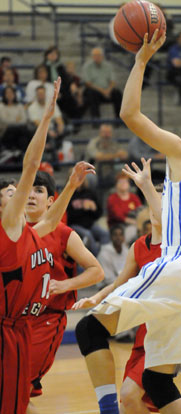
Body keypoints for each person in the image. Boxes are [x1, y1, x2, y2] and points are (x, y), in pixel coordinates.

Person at [74, 30, 181, 414]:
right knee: (156, 381)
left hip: (176, 265)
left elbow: (129, 114)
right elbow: (175, 220)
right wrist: (150, 190)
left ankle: (108, 410)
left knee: (90, 329)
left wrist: (141, 60)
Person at [73, 158, 181, 414]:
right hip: (146, 328)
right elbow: (120, 283)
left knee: (134, 393)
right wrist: (97, 298)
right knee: (137, 400)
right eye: (156, 200)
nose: (160, 206)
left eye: (166, 201)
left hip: (172, 322)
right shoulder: (139, 247)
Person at [0, 77, 95, 414]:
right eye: (11, 194)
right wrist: (44, 118)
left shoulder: (30, 232)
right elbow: (30, 166)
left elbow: (52, 222)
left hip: (25, 326)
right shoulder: (9, 228)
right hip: (8, 330)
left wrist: (70, 186)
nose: (20, 193)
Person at [24, 170, 104, 414]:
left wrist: (65, 285)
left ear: (51, 201)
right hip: (16, 322)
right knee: (12, 394)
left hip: (46, 321)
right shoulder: (12, 231)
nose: (31, 194)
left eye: (39, 190)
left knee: (14, 390)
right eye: (28, 188)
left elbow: (96, 271)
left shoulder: (64, 234)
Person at [67, 176, 109, 256]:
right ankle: (97, 259)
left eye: (80, 178)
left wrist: (93, 209)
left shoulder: (89, 193)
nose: (78, 181)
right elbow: (68, 216)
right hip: (74, 225)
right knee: (88, 235)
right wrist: (83, 207)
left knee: (105, 234)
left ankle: (104, 257)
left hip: (90, 224)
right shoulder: (68, 194)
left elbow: (99, 213)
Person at [82, 47, 123, 121]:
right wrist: (101, 91)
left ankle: (119, 118)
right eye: (95, 55)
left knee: (118, 93)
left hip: (107, 90)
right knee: (91, 94)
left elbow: (113, 81)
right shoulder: (87, 67)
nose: (97, 57)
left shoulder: (108, 66)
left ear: (102, 56)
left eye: (99, 55)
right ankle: (96, 120)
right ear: (92, 57)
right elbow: (88, 83)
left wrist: (108, 90)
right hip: (95, 90)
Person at [85, 123, 128, 189]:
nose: (106, 135)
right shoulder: (94, 142)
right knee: (91, 178)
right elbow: (98, 157)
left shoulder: (113, 143)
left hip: (110, 171)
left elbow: (124, 155)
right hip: (93, 171)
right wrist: (116, 155)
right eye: (104, 132)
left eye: (109, 132)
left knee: (124, 172)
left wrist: (110, 156)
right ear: (100, 133)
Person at [107, 172, 142, 244]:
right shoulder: (112, 198)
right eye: (120, 181)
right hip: (118, 225)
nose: (123, 183)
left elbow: (140, 210)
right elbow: (117, 215)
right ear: (116, 184)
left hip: (135, 223)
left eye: (125, 181)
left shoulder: (134, 197)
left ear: (129, 184)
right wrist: (132, 221)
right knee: (133, 230)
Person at [0, 85, 31, 153]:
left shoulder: (19, 106)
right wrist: (16, 120)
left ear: (14, 94)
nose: (9, 95)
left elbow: (24, 120)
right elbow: (4, 121)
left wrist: (12, 120)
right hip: (5, 132)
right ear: (4, 95)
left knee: (24, 133)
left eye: (11, 93)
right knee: (16, 129)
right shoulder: (1, 106)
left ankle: (23, 153)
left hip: (19, 131)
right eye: (7, 93)